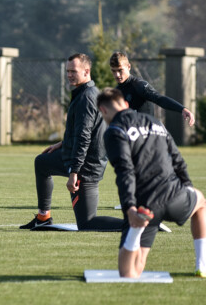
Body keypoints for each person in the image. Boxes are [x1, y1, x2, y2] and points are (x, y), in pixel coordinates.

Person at [97, 87, 206, 278]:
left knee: (129, 273)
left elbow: (125, 171)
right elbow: (177, 158)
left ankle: (136, 230)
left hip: (146, 206)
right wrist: (187, 186)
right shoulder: (154, 122)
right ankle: (202, 265)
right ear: (126, 104)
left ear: (103, 111)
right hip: (175, 195)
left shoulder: (114, 131)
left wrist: (130, 207)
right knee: (201, 202)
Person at [20, 53, 123, 230]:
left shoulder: (86, 97)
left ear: (86, 71)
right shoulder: (86, 92)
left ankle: (139, 223)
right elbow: (80, 130)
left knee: (87, 223)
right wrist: (63, 143)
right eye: (68, 71)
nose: (69, 75)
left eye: (73, 71)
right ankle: (43, 217)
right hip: (76, 156)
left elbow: (84, 136)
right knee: (42, 162)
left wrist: (74, 172)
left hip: (86, 166)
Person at [109, 51, 194, 126]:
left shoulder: (139, 85)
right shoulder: (117, 91)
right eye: (114, 71)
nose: (117, 75)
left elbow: (159, 98)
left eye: (120, 70)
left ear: (129, 67)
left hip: (147, 137)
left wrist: (182, 109)